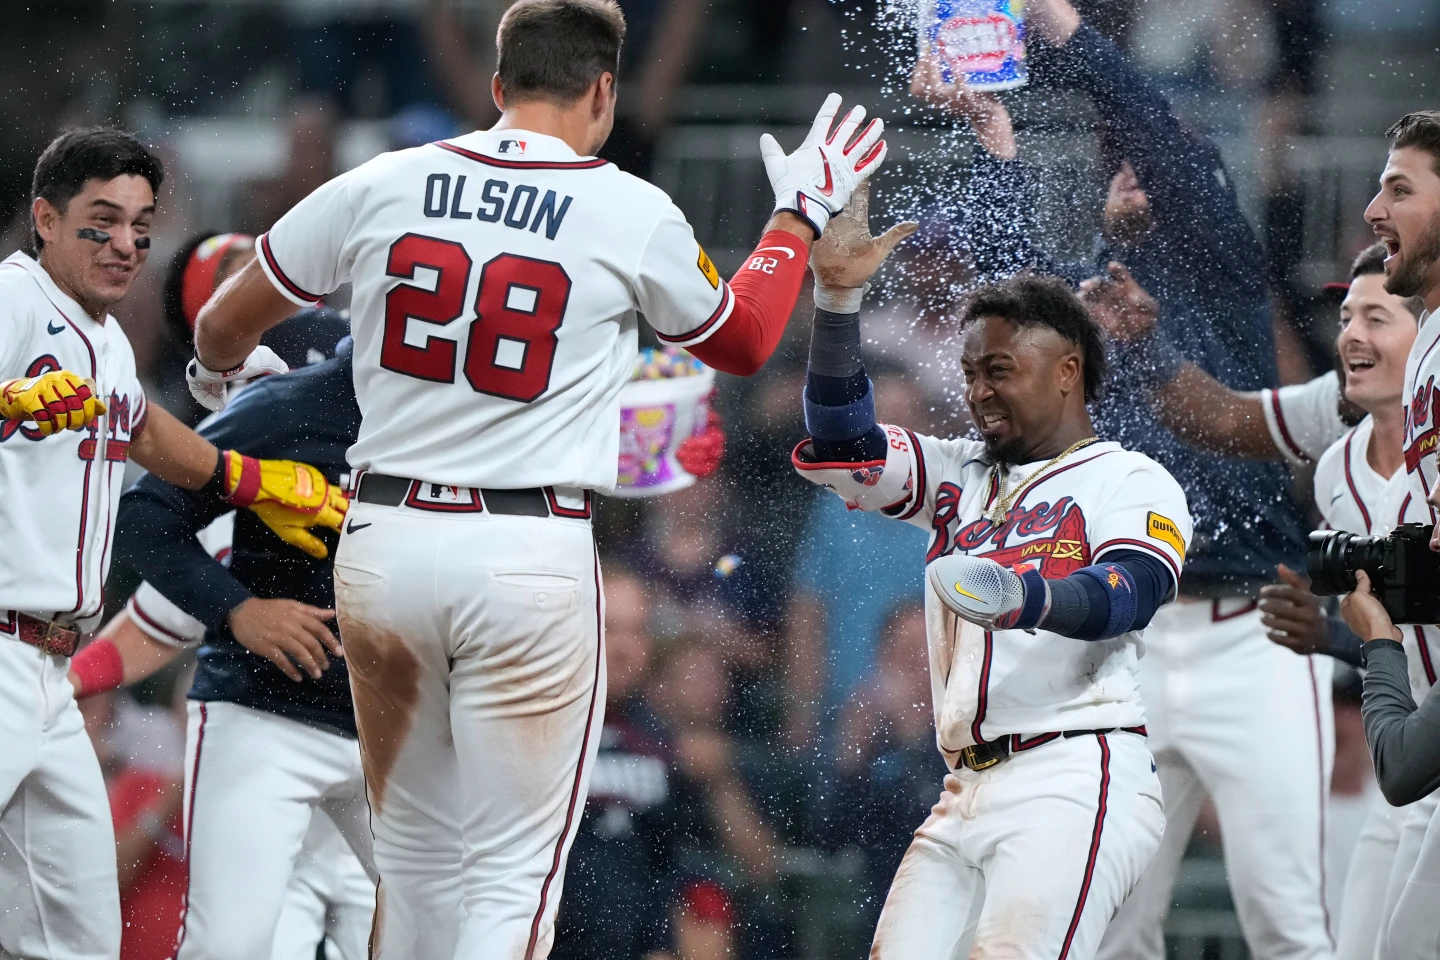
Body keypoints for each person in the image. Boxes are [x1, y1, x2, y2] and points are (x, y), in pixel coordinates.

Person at [187, 1, 890, 955]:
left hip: (385, 543)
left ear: (496, 85)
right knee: (510, 876)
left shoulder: (386, 179)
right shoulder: (624, 206)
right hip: (525, 551)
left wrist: (223, 374)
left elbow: (220, 323)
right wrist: (797, 215)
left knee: (413, 863)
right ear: (604, 91)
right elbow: (744, 338)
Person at [913, 0, 1331, 952]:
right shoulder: (1080, 300)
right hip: (1117, 646)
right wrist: (991, 135)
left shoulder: (1222, 272)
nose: (1139, 168)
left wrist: (1062, 27)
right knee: (1110, 929)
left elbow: (1146, 120)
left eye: (1163, 162)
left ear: (1203, 189)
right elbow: (1006, 288)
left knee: (1287, 920)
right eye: (1123, 163)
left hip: (1253, 635)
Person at [792, 189, 1189, 960]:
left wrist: (1024, 595)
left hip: (1073, 775)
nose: (977, 391)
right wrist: (837, 301)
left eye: (999, 370)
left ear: (1068, 371)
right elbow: (842, 439)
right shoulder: (958, 471)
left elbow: (1128, 594)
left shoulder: (1129, 479)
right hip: (963, 788)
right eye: (971, 372)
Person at [0, 126, 344, 960]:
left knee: (77, 940)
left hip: (49, 669)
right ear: (44, 219)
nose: (124, 243)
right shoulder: (13, 301)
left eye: (140, 227)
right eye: (101, 222)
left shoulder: (109, 343)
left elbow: (148, 432)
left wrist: (251, 481)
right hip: (4, 644)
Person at [104, 343, 374, 960]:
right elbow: (145, 541)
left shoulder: (462, 423)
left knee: (445, 937)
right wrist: (239, 609)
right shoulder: (291, 409)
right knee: (232, 946)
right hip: (269, 717)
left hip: (399, 731)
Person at [1253, 243, 1426, 960]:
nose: (1352, 334)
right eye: (1347, 317)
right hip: (1406, 748)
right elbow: (1395, 635)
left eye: (1377, 318)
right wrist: (1329, 633)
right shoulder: (1335, 472)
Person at [1343, 108, 1440, 960]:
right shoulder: (1430, 337)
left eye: (1399, 190)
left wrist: (1376, 641)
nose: (1375, 211)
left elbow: (1403, 768)